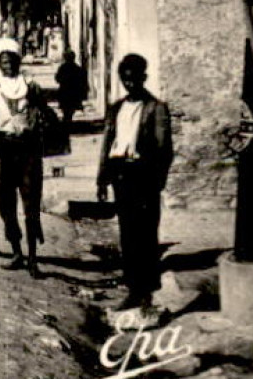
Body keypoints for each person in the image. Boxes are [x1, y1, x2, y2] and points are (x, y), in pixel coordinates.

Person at [96, 54, 175, 312]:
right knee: (127, 232)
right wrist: (102, 178)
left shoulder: (155, 107)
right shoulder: (116, 108)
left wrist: (157, 180)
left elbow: (164, 149)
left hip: (144, 174)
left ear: (143, 77)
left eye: (134, 79)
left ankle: (147, 292)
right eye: (125, 79)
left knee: (146, 233)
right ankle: (132, 288)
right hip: (121, 173)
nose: (130, 84)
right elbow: (109, 144)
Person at [0, 48, 48, 276]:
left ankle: (32, 258)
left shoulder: (31, 87)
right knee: (5, 203)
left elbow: (44, 113)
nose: (8, 66)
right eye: (3, 63)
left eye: (11, 62)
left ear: (18, 63)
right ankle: (16, 250)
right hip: (3, 150)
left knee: (31, 203)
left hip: (27, 150)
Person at [53, 50, 89, 130]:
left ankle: (67, 122)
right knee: (70, 109)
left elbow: (57, 79)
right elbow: (83, 81)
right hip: (73, 93)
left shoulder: (62, 68)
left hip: (65, 92)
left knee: (66, 109)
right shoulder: (77, 68)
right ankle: (68, 122)